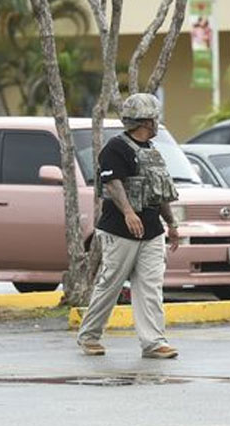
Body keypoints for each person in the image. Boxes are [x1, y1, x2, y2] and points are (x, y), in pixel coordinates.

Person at [76, 93, 181, 359]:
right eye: (154, 119)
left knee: (150, 287)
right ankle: (89, 336)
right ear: (145, 121)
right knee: (110, 283)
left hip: (151, 231)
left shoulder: (152, 152)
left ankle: (154, 342)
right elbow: (113, 184)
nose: (156, 124)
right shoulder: (116, 148)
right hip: (120, 230)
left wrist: (171, 224)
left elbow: (160, 193)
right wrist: (128, 213)